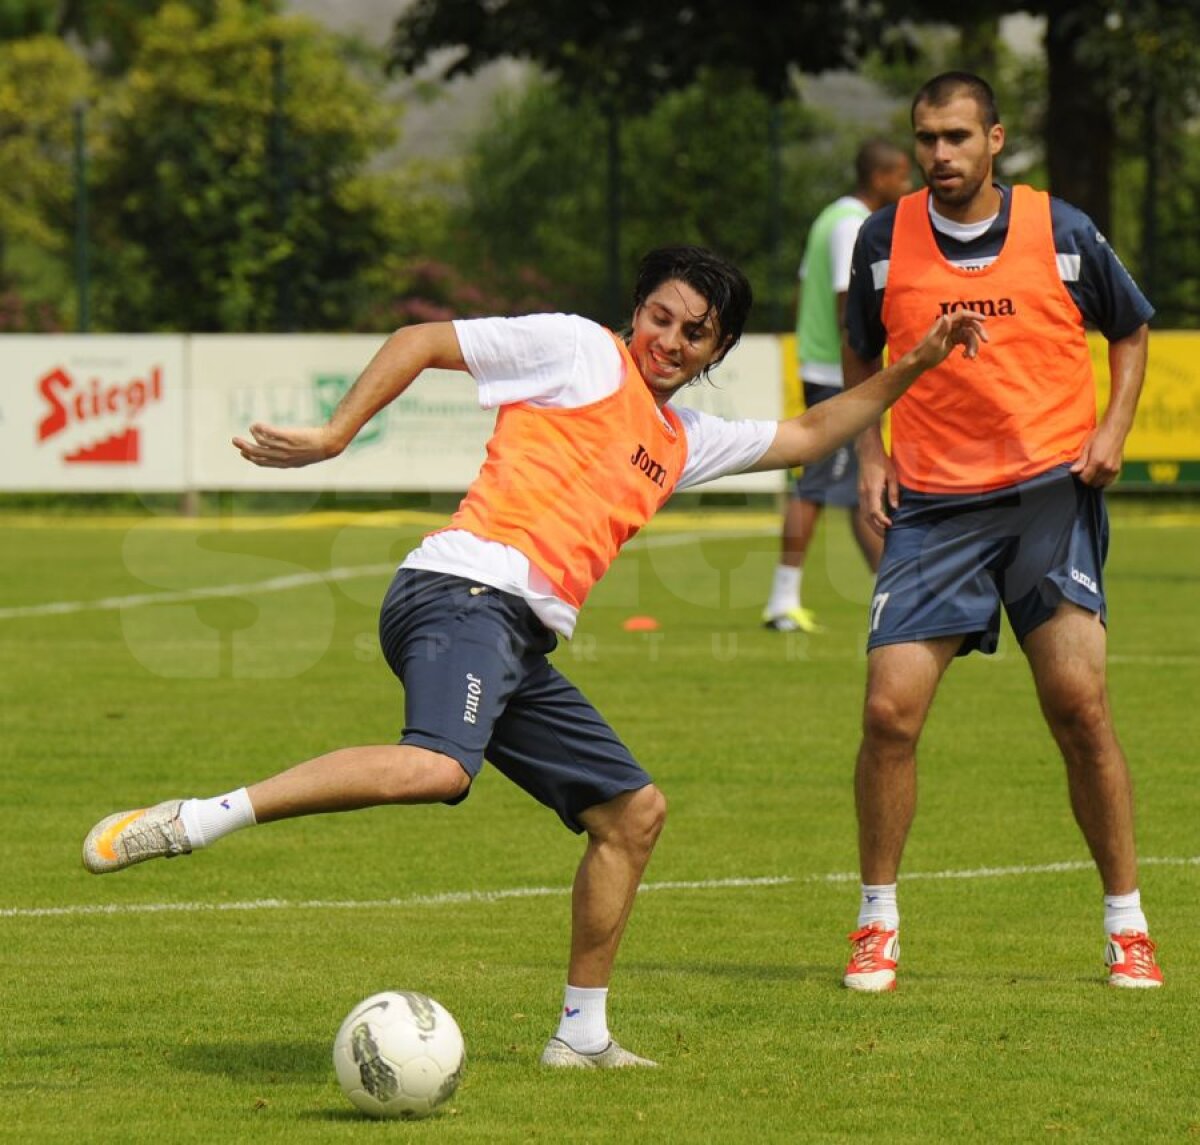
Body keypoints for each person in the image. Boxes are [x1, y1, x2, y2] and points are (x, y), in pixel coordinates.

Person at [82, 246, 985, 1066]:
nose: (668, 340)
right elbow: (419, 339)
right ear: (635, 310)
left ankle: (581, 1037)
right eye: (659, 316)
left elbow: (806, 436)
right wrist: (334, 434)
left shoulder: (682, 442)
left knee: (633, 815)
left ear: (719, 350)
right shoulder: (579, 350)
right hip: (462, 590)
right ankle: (197, 819)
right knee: (438, 765)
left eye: (694, 332)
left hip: (516, 636)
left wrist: (913, 364)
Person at [838, 73, 1161, 993]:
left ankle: (1127, 923)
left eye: (956, 137)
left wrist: (1114, 431)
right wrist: (870, 454)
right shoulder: (880, 239)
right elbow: (861, 348)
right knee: (887, 709)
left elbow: (1131, 329)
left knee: (1078, 706)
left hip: (1046, 496)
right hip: (934, 505)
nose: (940, 155)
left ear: (995, 141)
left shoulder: (1061, 231)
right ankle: (875, 922)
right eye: (926, 138)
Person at [763, 139, 912, 633]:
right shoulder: (852, 225)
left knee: (852, 488)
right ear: (880, 177)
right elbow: (850, 304)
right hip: (838, 375)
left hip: (819, 366)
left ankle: (892, 596)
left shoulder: (827, 218)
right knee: (818, 486)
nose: (907, 186)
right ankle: (782, 600)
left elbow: (804, 292)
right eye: (901, 176)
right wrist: (863, 370)